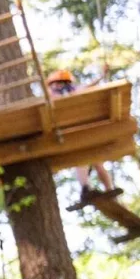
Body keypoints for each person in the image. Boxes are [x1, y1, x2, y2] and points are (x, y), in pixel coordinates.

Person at [47, 69, 116, 197]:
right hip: (81, 131)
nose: (56, 86)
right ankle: (104, 188)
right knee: (92, 161)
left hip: (71, 132)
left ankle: (89, 187)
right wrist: (102, 74)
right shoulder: (73, 90)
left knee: (85, 160)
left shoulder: (52, 95)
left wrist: (101, 75)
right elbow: (90, 85)